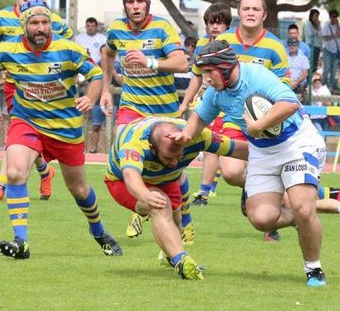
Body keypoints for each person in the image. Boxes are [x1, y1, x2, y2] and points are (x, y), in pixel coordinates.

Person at [0, 0, 122, 259]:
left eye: (45, 22)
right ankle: (21, 242)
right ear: (23, 26)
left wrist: (91, 98)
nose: (41, 28)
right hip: (26, 120)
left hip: (66, 128)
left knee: (79, 190)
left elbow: (96, 75)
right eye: (34, 22)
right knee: (16, 172)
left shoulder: (69, 49)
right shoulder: (7, 50)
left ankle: (98, 232)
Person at [172, 40, 328, 287]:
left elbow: (290, 103)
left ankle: (314, 269)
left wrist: (258, 125)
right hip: (262, 152)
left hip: (296, 144)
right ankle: (298, 220)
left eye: (209, 73)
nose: (206, 80)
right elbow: (200, 118)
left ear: (224, 67)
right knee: (262, 219)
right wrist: (185, 136)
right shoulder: (215, 93)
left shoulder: (256, 75)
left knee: (304, 207)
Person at [104, 116, 249, 280]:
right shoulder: (135, 144)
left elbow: (235, 148)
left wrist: (273, 153)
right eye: (168, 157)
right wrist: (146, 195)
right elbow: (131, 177)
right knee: (159, 205)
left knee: (176, 220)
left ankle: (168, 257)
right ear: (152, 148)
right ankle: (181, 261)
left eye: (178, 156)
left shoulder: (196, 136)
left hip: (166, 177)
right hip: (121, 181)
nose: (174, 162)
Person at [99, 0, 188, 239]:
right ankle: (142, 201)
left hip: (164, 110)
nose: (135, 6)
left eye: (140, 2)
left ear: (147, 5)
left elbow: (182, 63)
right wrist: (107, 86)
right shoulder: (116, 28)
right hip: (132, 105)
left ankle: (184, 212)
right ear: (125, 6)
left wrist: (150, 61)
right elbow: (108, 53)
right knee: (123, 144)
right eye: (130, 2)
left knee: (172, 166)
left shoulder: (162, 27)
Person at [0, 0, 71, 201]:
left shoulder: (49, 19)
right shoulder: (1, 18)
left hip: (41, 86)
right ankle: (45, 171)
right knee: (24, 132)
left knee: (20, 132)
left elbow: (67, 43)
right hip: (13, 84)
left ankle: (1, 183)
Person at [213, 0, 290, 241]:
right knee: (231, 173)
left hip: (265, 123)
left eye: (256, 9)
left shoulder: (275, 47)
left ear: (264, 15)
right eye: (246, 8)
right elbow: (199, 72)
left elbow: (285, 89)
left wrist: (267, 120)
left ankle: (272, 224)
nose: (250, 13)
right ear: (238, 12)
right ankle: (251, 187)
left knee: (266, 177)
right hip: (234, 119)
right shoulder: (222, 41)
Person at [179, 2, 232, 209]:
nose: (215, 27)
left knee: (234, 157)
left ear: (227, 25)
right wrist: (185, 103)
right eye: (211, 22)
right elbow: (196, 77)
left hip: (230, 104)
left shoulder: (231, 44)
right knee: (208, 143)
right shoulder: (201, 44)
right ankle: (203, 191)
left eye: (220, 23)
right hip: (209, 103)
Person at [75, 17, 108, 154]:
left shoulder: (102, 39)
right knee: (81, 112)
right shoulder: (79, 38)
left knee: (99, 120)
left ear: (96, 26)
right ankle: (81, 145)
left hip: (98, 72)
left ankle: (97, 147)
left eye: (92, 25)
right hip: (83, 72)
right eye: (88, 25)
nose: (90, 27)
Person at [321, 9, 340, 90]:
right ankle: (323, 84)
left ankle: (332, 86)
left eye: (336, 17)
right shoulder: (325, 25)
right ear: (330, 17)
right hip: (327, 50)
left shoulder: (339, 25)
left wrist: (337, 26)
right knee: (327, 68)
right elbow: (324, 37)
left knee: (334, 70)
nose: (335, 18)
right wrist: (334, 35)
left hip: (336, 50)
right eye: (333, 17)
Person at [303, 9, 322, 74]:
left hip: (317, 46)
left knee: (314, 66)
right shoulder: (308, 24)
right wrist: (317, 29)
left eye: (317, 16)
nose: (316, 18)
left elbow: (320, 34)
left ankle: (312, 79)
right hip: (310, 46)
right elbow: (310, 33)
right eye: (315, 16)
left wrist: (318, 26)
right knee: (310, 65)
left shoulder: (317, 24)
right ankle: (308, 81)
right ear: (311, 16)